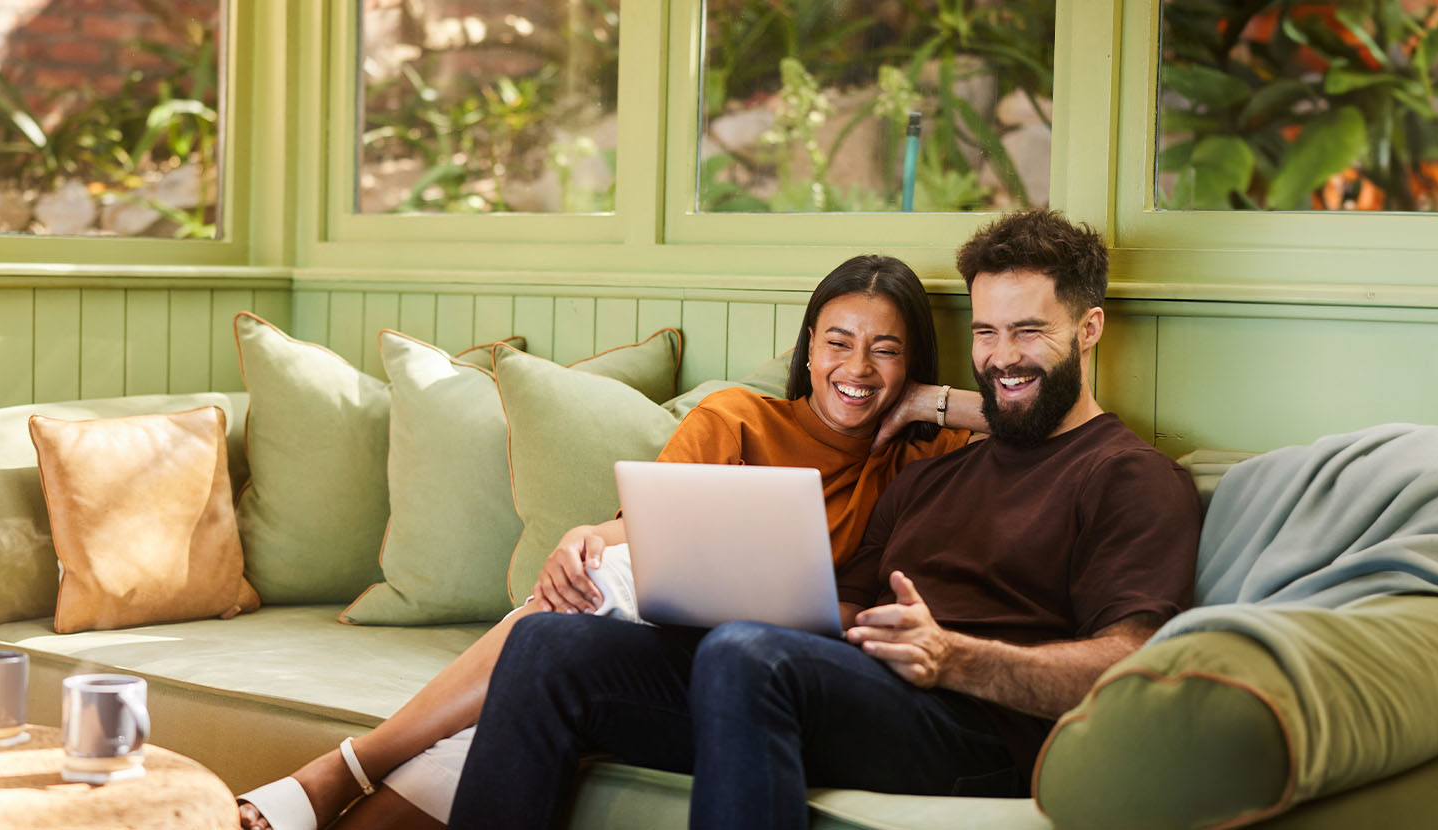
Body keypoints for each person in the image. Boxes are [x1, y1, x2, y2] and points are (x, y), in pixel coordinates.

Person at [449, 209, 1204, 830]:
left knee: (749, 654)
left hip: (979, 734)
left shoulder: (1129, 477)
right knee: (547, 644)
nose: (1003, 357)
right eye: (986, 332)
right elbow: (843, 612)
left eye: (1029, 331)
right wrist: (734, 592)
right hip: (851, 694)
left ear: (1089, 328)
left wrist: (953, 657)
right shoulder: (933, 474)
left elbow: (1130, 664)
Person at [237, 254, 991, 830]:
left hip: (765, 667)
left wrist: (934, 400)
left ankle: (343, 774)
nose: (856, 369)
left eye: (885, 350)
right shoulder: (738, 418)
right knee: (600, 577)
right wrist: (582, 538)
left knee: (552, 640)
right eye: (838, 342)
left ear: (912, 362)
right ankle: (341, 775)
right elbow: (645, 532)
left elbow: (1039, 418)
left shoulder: (926, 455)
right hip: (662, 638)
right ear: (809, 346)